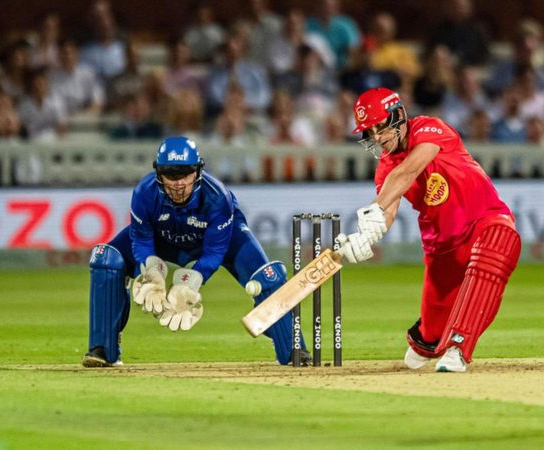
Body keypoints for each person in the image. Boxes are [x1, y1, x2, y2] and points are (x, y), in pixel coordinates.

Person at [334, 87, 521, 373]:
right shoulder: (385, 168)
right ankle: (429, 341)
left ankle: (458, 347)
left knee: (496, 249)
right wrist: (366, 236)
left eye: (380, 128)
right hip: (442, 246)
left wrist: (374, 208)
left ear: (399, 115)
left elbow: (409, 170)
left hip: (485, 221)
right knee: (430, 336)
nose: (377, 138)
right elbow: (389, 210)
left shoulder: (429, 128)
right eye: (370, 132)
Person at [83, 136, 310, 367]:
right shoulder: (144, 193)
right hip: (163, 238)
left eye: (185, 174)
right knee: (105, 259)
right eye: (171, 175)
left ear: (197, 172)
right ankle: (103, 349)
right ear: (159, 174)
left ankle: (293, 349)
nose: (178, 183)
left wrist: (190, 282)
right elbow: (141, 240)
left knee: (268, 277)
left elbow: (215, 250)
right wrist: (152, 271)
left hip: (219, 239)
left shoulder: (217, 196)